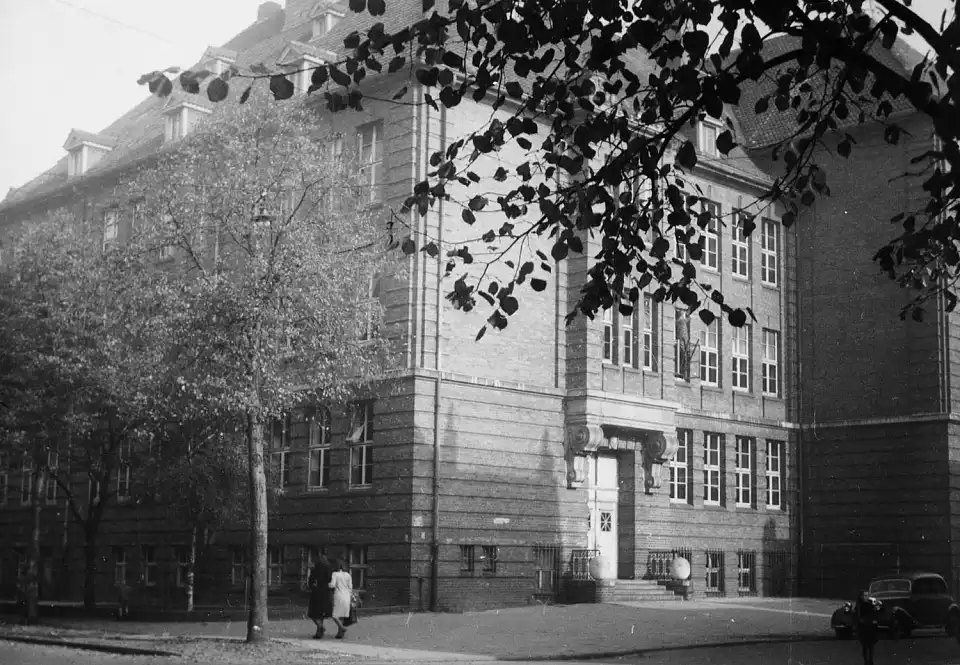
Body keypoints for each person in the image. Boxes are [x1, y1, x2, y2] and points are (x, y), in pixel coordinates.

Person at [307, 554, 333, 638]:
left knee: (313, 614)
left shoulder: (315, 569)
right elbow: (330, 580)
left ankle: (320, 627)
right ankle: (319, 632)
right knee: (321, 614)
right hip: (325, 593)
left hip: (316, 593)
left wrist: (312, 585)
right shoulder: (329, 568)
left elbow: (310, 582)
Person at [328, 560, 353, 639]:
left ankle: (342, 628)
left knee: (334, 615)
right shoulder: (348, 575)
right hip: (347, 596)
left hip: (338, 596)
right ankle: (340, 633)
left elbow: (332, 585)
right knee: (341, 615)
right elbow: (350, 587)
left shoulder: (335, 574)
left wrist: (328, 584)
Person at [855, 591, 881, 665]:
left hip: (871, 627)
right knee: (865, 645)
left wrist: (876, 608)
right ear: (861, 596)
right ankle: (866, 661)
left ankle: (871, 660)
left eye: (867, 595)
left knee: (871, 645)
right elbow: (859, 616)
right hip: (863, 627)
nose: (866, 597)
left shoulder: (870, 604)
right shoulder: (859, 605)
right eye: (865, 595)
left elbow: (874, 613)